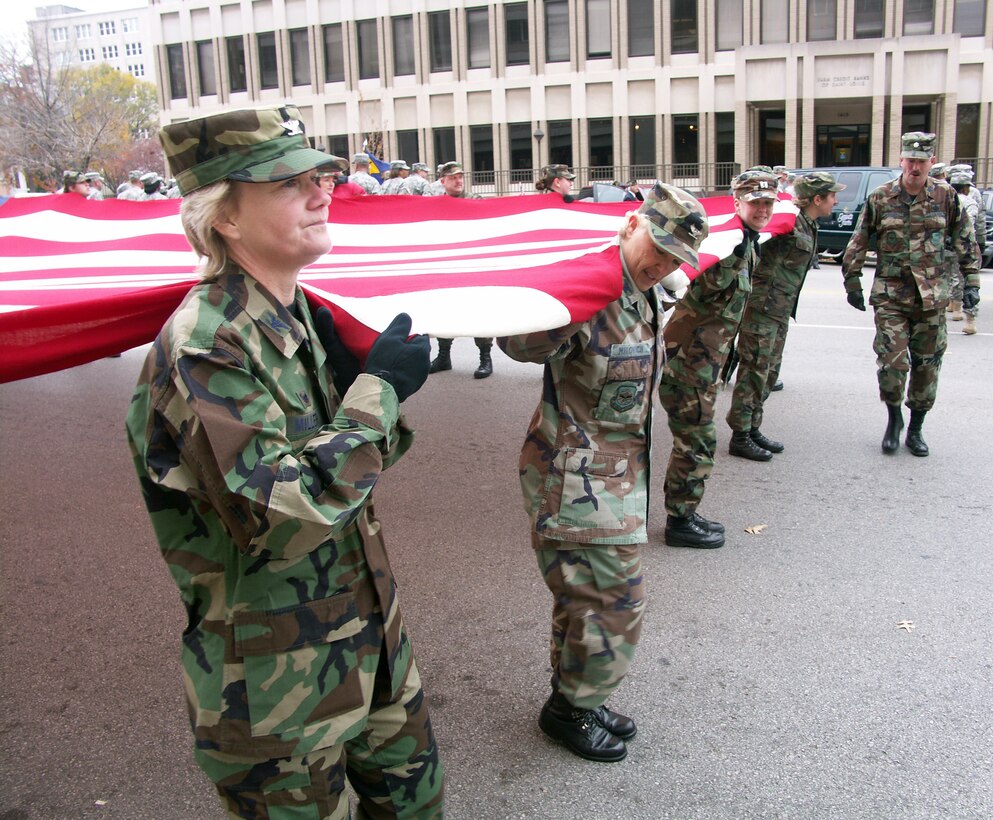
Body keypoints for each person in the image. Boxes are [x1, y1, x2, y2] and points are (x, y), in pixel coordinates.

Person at [125, 104, 443, 817]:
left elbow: (355, 476)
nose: (321, 190)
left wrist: (365, 403)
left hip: (370, 646)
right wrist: (377, 394)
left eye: (320, 175)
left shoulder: (296, 314)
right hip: (277, 693)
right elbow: (281, 517)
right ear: (226, 218)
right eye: (287, 182)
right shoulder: (208, 345)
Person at [497, 183, 709, 763]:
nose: (661, 263)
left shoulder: (642, 290)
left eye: (673, 258)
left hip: (614, 476)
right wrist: (572, 303)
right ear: (631, 225)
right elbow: (516, 342)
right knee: (615, 601)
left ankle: (574, 700)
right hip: (574, 478)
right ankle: (569, 708)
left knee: (583, 598)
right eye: (657, 247)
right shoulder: (592, 285)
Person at [659, 169, 778, 548]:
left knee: (697, 439)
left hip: (707, 360)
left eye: (767, 203)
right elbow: (687, 280)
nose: (762, 209)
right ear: (737, 202)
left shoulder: (746, 242)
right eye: (754, 202)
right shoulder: (723, 244)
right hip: (690, 361)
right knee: (696, 440)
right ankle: (680, 521)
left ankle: (685, 512)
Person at [842, 131, 980, 457]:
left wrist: (972, 281)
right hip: (891, 295)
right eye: (910, 160)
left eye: (922, 161)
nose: (915, 167)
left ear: (931, 162)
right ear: (901, 160)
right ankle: (893, 419)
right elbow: (859, 240)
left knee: (927, 366)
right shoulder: (881, 197)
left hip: (932, 298)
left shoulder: (946, 197)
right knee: (891, 364)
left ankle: (916, 428)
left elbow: (965, 240)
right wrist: (852, 281)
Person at [726, 171, 845, 460]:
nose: (836, 201)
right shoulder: (787, 223)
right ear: (817, 199)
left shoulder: (806, 224)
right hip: (762, 309)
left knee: (768, 373)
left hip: (779, 310)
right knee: (754, 372)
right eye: (832, 196)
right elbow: (750, 239)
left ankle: (753, 427)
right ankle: (740, 435)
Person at [425, 161, 495, 379]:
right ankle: (444, 355)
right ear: (443, 181)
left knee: (479, 311)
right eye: (453, 177)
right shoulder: (436, 204)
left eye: (461, 176)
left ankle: (485, 357)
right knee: (446, 310)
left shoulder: (475, 201)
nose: (458, 180)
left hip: (473, 266)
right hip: (447, 266)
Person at [948, 170, 981, 335]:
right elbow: (976, 225)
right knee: (970, 281)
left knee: (952, 277)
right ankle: (970, 319)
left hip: (948, 247)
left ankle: (955, 308)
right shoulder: (970, 202)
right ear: (967, 188)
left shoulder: (946, 201)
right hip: (968, 246)